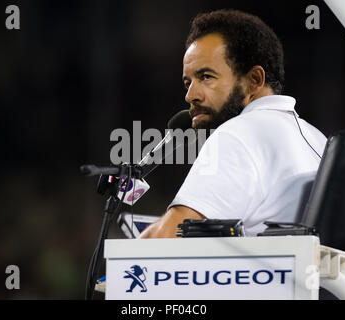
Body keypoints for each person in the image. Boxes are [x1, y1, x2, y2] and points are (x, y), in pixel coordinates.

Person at [139, 9, 327, 238]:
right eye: (188, 82)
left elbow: (164, 239)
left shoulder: (237, 133)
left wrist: (111, 273)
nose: (190, 95)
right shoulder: (320, 141)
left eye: (206, 77)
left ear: (254, 80)